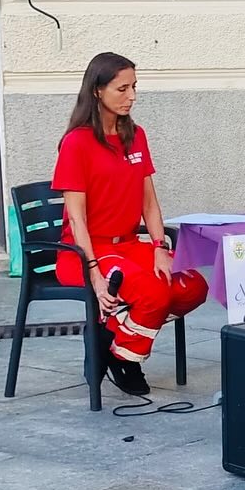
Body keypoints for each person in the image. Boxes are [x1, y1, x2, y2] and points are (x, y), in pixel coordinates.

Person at [53, 52, 210, 395]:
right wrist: (94, 274)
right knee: (152, 292)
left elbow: (149, 202)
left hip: (129, 245)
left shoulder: (135, 135)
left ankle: (112, 336)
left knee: (192, 286)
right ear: (97, 91)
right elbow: (76, 218)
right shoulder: (77, 142)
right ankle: (127, 358)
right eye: (122, 88)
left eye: (135, 87)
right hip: (86, 252)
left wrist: (159, 248)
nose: (132, 96)